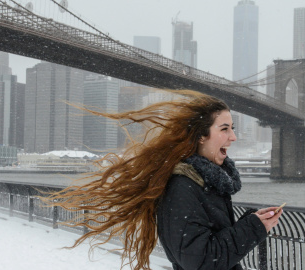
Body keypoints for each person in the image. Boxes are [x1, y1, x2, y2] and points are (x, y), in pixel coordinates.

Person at [43, 90, 282, 270]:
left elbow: (211, 245)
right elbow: (197, 259)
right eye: (225, 129)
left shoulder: (207, 183)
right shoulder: (183, 187)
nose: (234, 137)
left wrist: (252, 222)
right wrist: (252, 229)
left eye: (233, 128)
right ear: (201, 136)